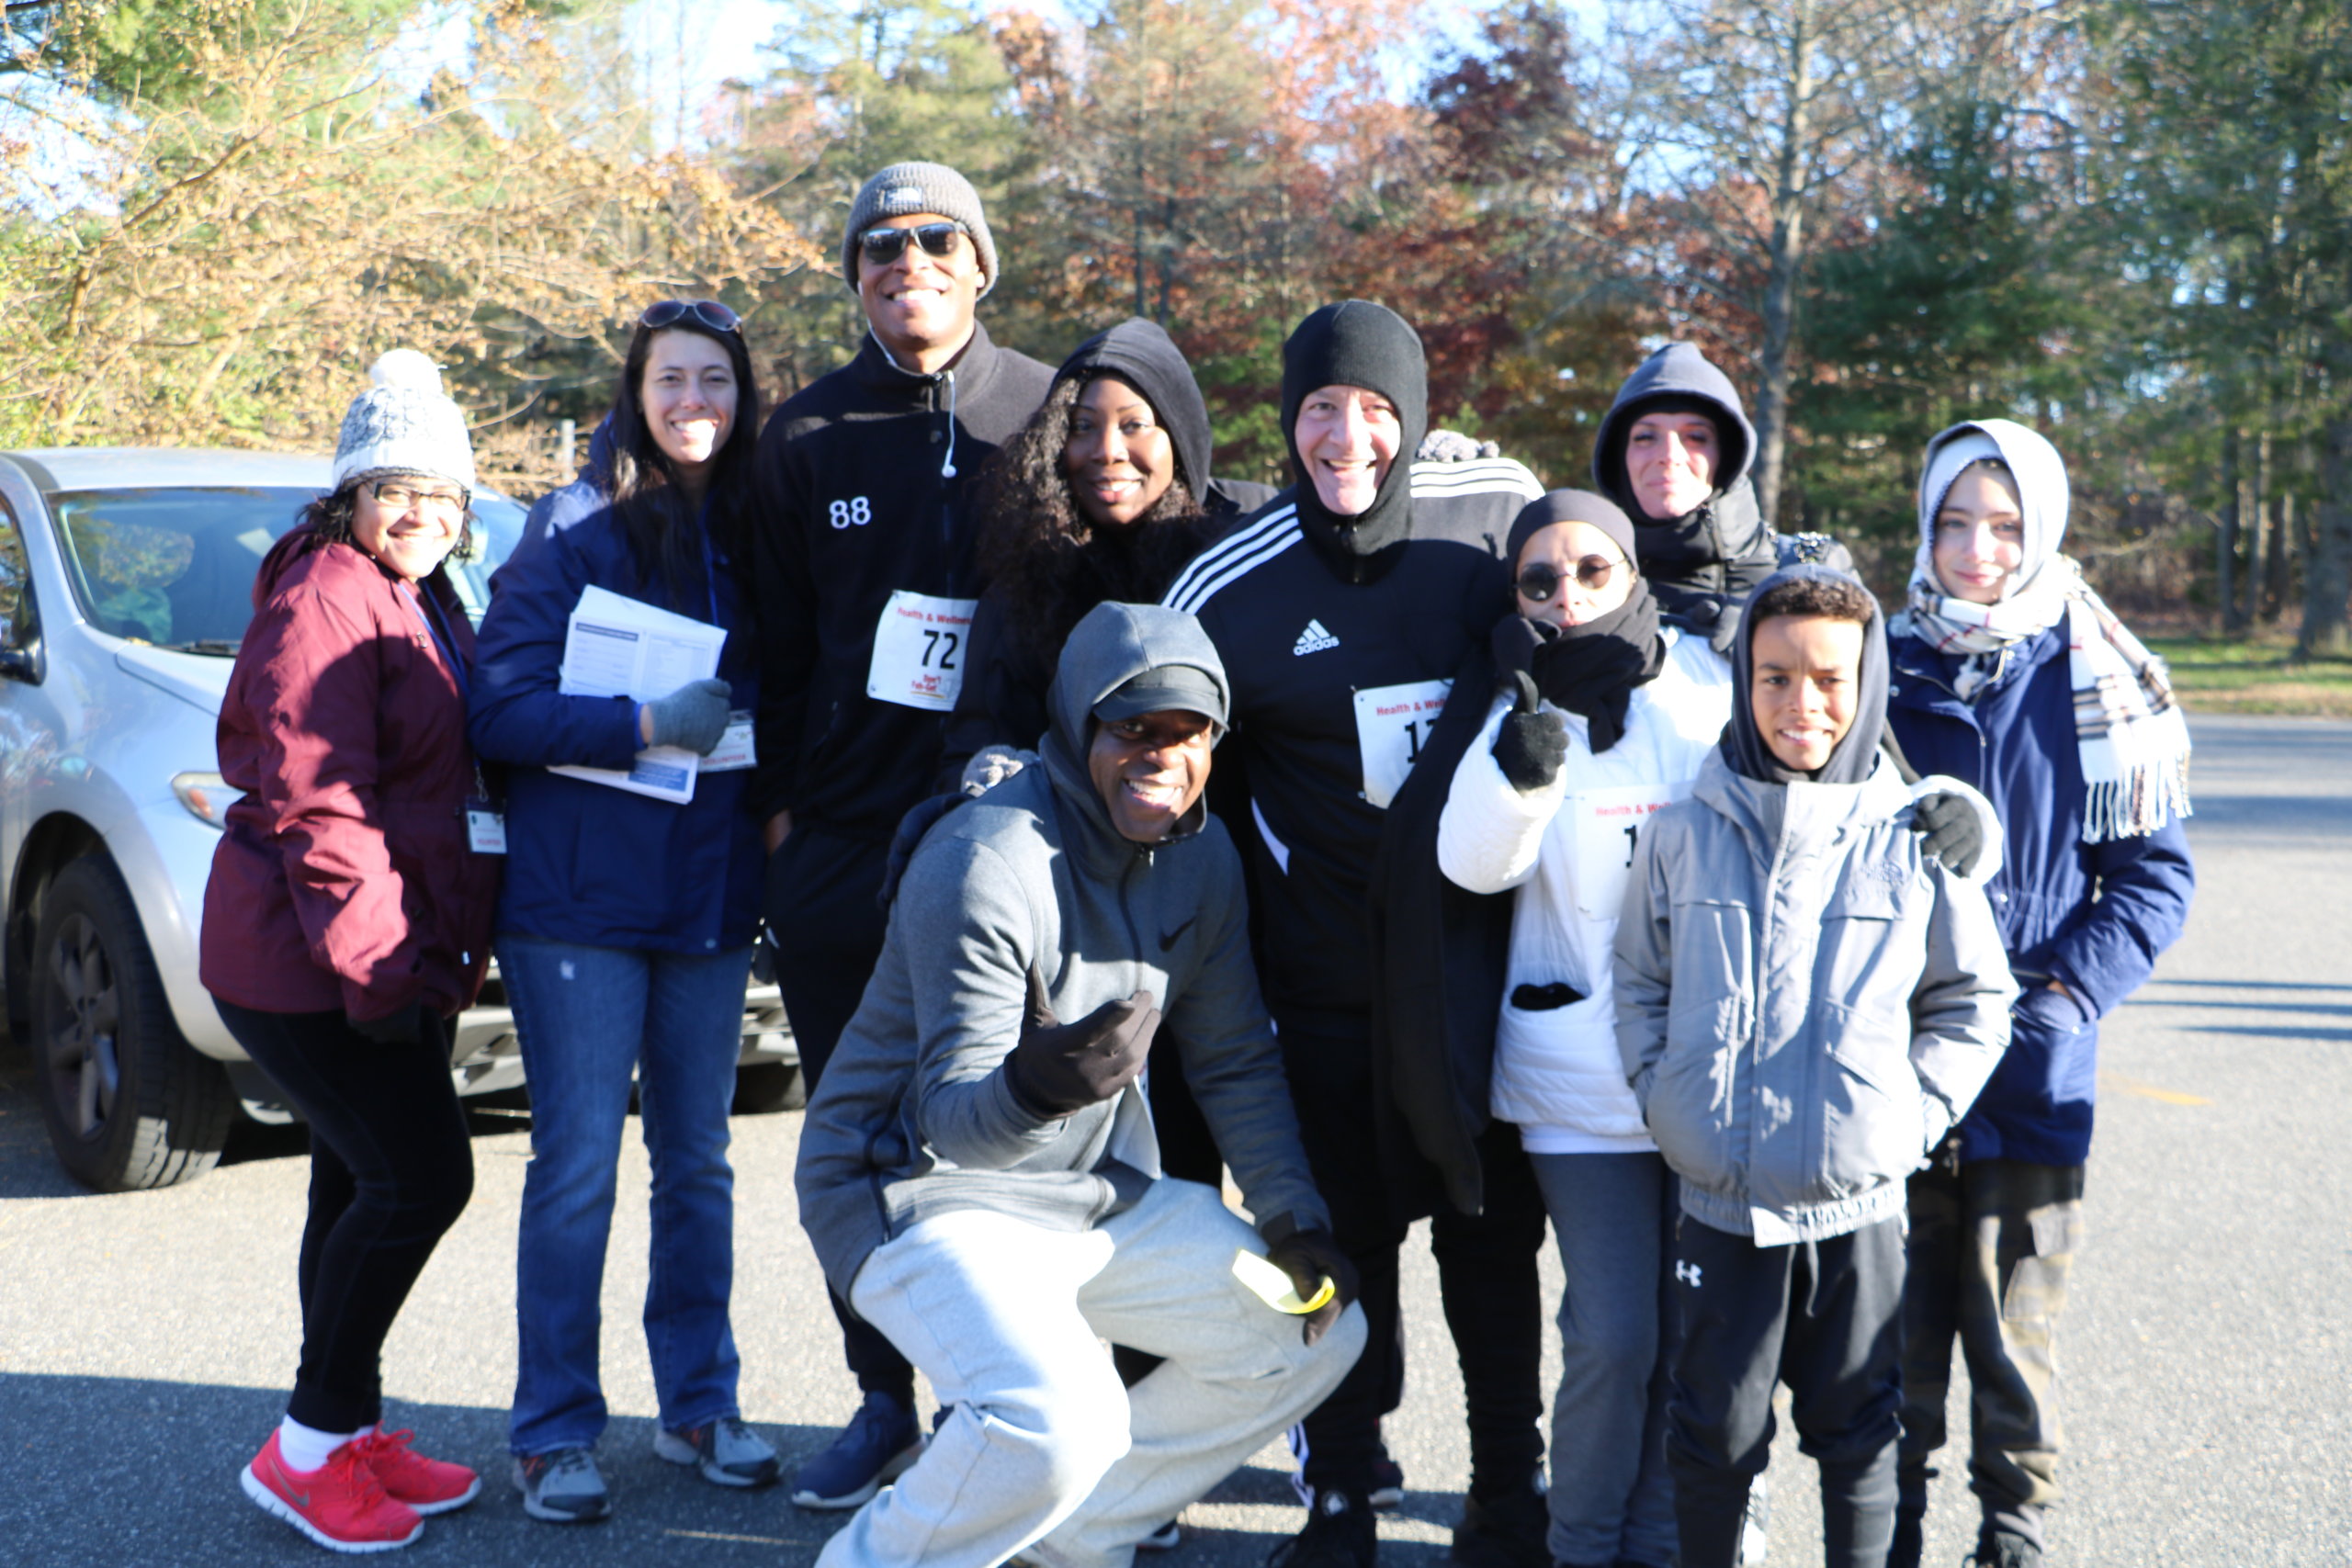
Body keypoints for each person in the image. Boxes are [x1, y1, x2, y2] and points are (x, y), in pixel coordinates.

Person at [795, 601, 1368, 1568]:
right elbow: (946, 1120)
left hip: (1085, 1197)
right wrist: (1033, 1089)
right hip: (912, 1191)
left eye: (1187, 734)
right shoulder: (985, 859)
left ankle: (1064, 1544)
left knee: (1310, 1332)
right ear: (1075, 728)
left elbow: (1233, 1058)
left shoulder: (1205, 854)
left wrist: (1292, 1219)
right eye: (1132, 731)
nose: (1161, 758)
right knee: (1061, 1422)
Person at [1162, 299, 1552, 1568]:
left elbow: (1593, 641)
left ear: (1414, 418)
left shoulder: (1479, 548)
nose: (1349, 435)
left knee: (1489, 1249)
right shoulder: (1233, 584)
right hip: (1319, 988)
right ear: (1288, 423)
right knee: (1339, 1252)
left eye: (1375, 408)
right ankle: (1339, 1491)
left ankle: (1508, 1490)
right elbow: (1161, 759)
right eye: (1321, 409)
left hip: (1469, 981)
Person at [750, 160, 1055, 1509]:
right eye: (879, 245)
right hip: (841, 842)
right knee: (857, 1137)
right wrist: (779, 817)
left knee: (1015, 1128)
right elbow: (767, 642)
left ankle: (1033, 1407)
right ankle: (884, 1394)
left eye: (937, 239)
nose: (907, 260)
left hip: (1012, 843)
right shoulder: (804, 436)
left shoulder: (1049, 409)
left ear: (981, 261)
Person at [1612, 566, 2016, 1568]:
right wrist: (1666, 1102)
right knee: (1712, 1436)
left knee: (1860, 1433)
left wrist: (1908, 1119)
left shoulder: (1914, 837)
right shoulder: (1680, 834)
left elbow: (1973, 1001)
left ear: (1867, 685)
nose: (1804, 703)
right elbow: (1638, 985)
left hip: (1857, 1206)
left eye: (1830, 679)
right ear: (1744, 682)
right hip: (1718, 1204)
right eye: (1775, 676)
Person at [469, 299, 774, 1521]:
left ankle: (701, 1403)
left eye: (717, 380)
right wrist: (641, 726)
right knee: (580, 1164)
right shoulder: (573, 520)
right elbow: (497, 709)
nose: (696, 402)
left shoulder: (756, 521)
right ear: (633, 392)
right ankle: (552, 1429)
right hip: (576, 904)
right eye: (672, 380)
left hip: (707, 894)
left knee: (698, 1161)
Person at [202, 349, 500, 1552]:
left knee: (355, 1179)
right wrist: (379, 970)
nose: (422, 511)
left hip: (373, 952)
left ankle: (346, 1424)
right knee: (425, 1177)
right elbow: (321, 798)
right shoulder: (330, 589)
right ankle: (306, 1445)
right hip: (314, 961)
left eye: (443, 490)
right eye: (395, 488)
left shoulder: (415, 588)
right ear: (350, 498)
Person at [1883, 422, 2194, 1568]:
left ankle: (2010, 1533)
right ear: (1923, 526)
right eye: (1953, 522)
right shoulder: (1881, 661)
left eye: (2004, 526)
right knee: (1889, 1339)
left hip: (2031, 1075)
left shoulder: (2091, 674)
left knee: (2015, 1337)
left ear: (2044, 531)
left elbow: (2155, 877)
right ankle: (1890, 1527)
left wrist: (2060, 998)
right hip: (1897, 1063)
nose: (1975, 550)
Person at [1430, 490, 1734, 1568]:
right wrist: (1522, 767)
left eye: (1594, 571)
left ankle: (1664, 1543)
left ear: (1633, 576)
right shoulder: (1513, 701)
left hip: (1703, 1070)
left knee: (1691, 1337)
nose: (1568, 598)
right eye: (1541, 580)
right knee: (1612, 1337)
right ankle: (1580, 1544)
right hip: (1578, 1079)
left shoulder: (1709, 683)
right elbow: (1471, 864)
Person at [943, 314, 1272, 791]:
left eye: (1135, 424)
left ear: (1180, 437)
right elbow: (976, 741)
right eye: (1082, 426)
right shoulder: (1027, 578)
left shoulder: (1246, 542)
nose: (1108, 450)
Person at [1591, 343, 1849, 655]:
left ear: (1728, 456)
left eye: (1696, 437)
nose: (1670, 456)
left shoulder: (1812, 569)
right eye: (1646, 437)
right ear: (1618, 458)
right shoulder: (1581, 586)